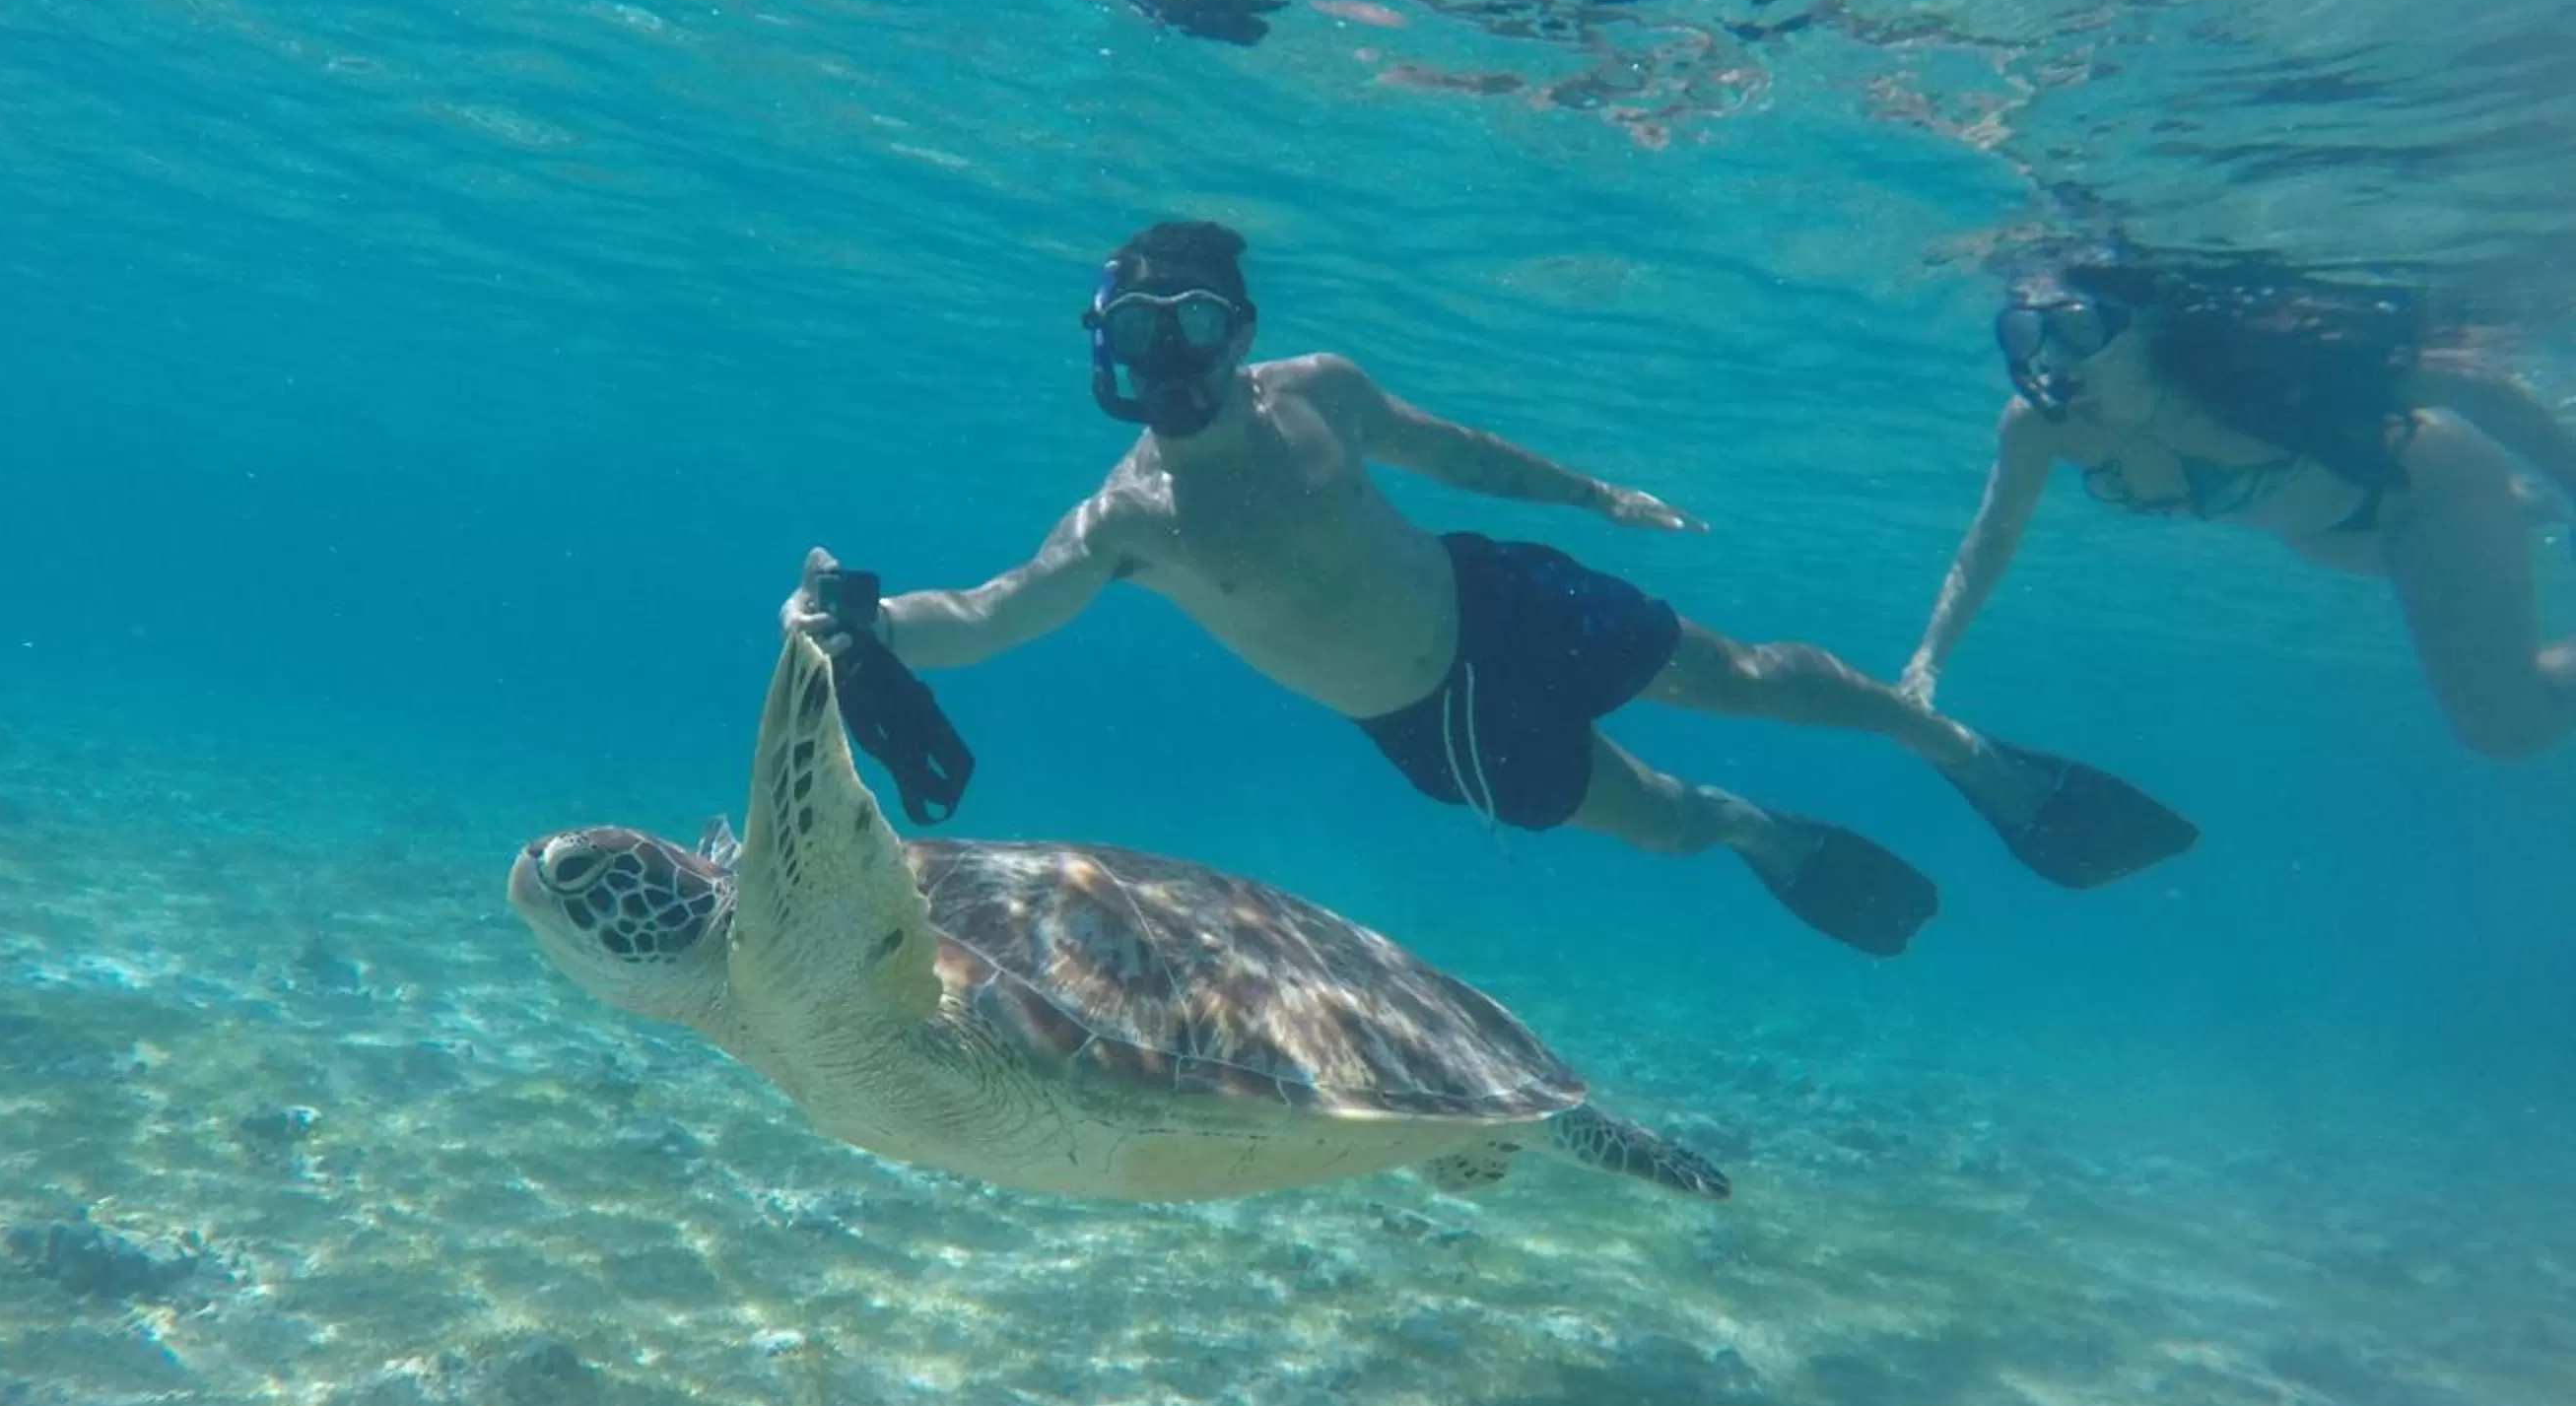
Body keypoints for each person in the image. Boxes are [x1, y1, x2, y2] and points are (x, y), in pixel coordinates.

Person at [786, 220, 2194, 958]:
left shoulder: (1321, 390)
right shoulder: (1123, 521)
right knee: (1658, 820)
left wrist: (1590, 495)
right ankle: (1764, 830)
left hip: (1504, 596)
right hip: (1433, 723)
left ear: (1242, 331)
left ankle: (1956, 744)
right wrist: (861, 623)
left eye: (1197, 324)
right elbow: (985, 613)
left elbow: (1450, 450)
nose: (1174, 359)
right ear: (1103, 348)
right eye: (1144, 334)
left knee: (1748, 673)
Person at [1903, 246, 2576, 758]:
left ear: (2142, 331)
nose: (2053, 360)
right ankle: (2524, 507)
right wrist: (1927, 660)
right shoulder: (2040, 423)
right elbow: (1990, 540)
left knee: (2505, 729)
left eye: (2076, 329)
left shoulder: (2242, 370)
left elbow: (2474, 389)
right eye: (2026, 334)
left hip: (2425, 492)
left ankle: (2516, 504)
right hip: (2334, 534)